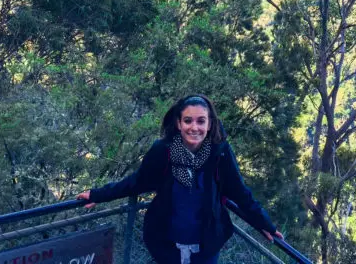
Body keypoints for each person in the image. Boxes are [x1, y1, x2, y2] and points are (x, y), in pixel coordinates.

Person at [77, 94, 283, 264]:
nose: (194, 127)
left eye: (201, 121)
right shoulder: (163, 150)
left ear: (210, 124)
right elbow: (138, 181)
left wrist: (262, 222)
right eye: (188, 120)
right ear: (178, 123)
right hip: (167, 244)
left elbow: (239, 191)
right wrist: (99, 195)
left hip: (206, 246)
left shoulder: (219, 153)